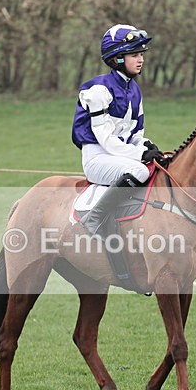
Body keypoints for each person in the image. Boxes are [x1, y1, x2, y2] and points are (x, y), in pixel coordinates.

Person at [71, 24, 165, 235]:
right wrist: (140, 154)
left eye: (141, 54)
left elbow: (135, 135)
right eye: (134, 54)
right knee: (140, 170)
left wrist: (146, 146)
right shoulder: (97, 90)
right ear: (117, 58)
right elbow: (106, 140)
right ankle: (94, 218)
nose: (141, 59)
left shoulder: (135, 90)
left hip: (120, 156)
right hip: (97, 158)